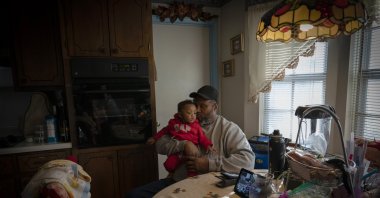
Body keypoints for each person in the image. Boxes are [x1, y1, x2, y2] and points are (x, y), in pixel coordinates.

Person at [126, 85, 255, 198]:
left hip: (209, 187)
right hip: (177, 181)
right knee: (134, 195)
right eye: (195, 104)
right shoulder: (180, 122)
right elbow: (159, 145)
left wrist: (209, 164)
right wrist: (184, 144)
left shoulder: (229, 129)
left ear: (214, 106)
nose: (196, 110)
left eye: (202, 106)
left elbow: (248, 161)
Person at [146, 99, 214, 177]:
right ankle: (172, 176)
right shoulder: (174, 123)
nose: (193, 115)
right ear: (180, 115)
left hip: (191, 152)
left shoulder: (196, 126)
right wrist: (154, 138)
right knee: (168, 165)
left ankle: (192, 177)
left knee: (192, 166)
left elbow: (202, 137)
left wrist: (208, 145)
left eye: (195, 113)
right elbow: (164, 131)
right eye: (189, 113)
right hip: (178, 151)